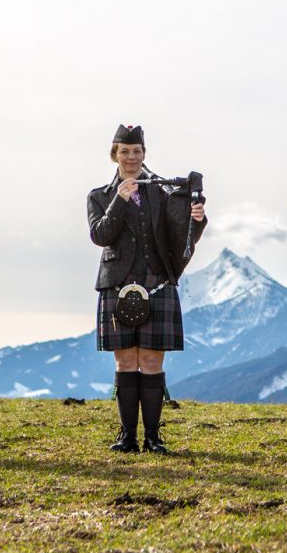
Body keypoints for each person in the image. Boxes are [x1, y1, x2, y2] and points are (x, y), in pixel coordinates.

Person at [88, 124, 206, 454]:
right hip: (117, 285)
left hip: (157, 283)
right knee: (126, 362)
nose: (131, 157)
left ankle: (153, 437)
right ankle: (127, 436)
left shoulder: (161, 192)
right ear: (115, 155)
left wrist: (195, 221)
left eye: (136, 151)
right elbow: (101, 235)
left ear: (143, 154)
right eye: (124, 151)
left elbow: (177, 237)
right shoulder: (99, 196)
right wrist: (120, 201)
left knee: (152, 363)